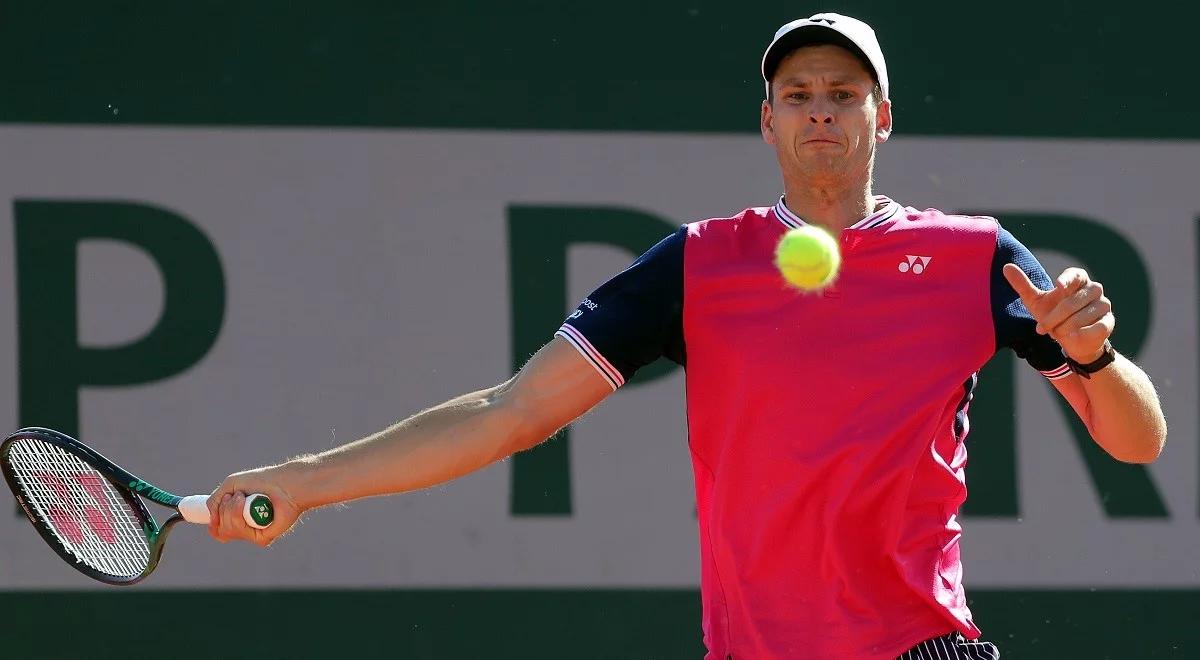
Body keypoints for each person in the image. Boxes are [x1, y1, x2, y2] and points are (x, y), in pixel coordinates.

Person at [205, 13, 1167, 660]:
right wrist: (301, 483)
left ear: (881, 116)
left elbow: (1138, 440)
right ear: (768, 121)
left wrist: (1094, 357)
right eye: (798, 94)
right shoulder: (698, 265)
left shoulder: (975, 259)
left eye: (842, 92)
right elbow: (511, 414)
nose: (821, 109)